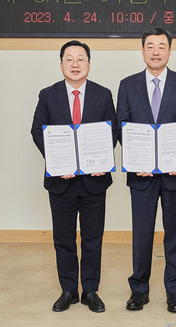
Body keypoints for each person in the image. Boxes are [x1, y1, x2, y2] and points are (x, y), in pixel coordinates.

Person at [116, 27, 176, 313]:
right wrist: (134, 159)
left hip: (175, 176)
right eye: (150, 46)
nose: (155, 51)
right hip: (141, 176)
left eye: (161, 46)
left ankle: (174, 292)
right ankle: (139, 290)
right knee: (142, 234)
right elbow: (122, 128)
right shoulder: (127, 85)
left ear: (169, 50)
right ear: (142, 51)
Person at [31, 40, 117, 313]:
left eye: (81, 59)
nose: (75, 64)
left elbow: (112, 132)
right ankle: (68, 289)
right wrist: (57, 162)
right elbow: (37, 131)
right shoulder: (48, 95)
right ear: (61, 65)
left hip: (94, 180)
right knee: (64, 239)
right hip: (61, 181)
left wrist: (101, 159)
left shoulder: (103, 95)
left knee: (93, 239)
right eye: (70, 59)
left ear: (89, 64)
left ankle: (90, 290)